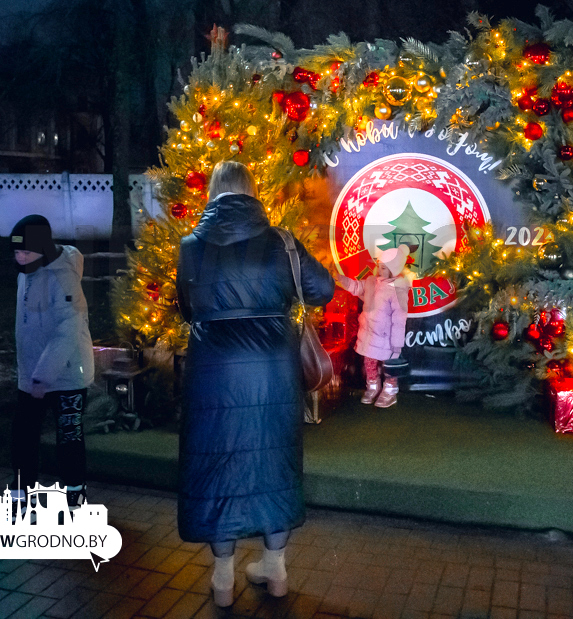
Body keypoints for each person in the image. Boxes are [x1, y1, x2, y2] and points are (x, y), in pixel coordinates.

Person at [176, 161, 334, 607]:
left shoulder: (190, 246)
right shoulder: (281, 241)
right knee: (275, 464)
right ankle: (275, 567)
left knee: (216, 467)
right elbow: (322, 290)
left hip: (213, 374)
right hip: (273, 373)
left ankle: (223, 577)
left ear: (213, 192)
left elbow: (186, 307)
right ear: (252, 192)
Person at [10, 215, 94, 511]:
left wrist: (42, 376)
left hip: (66, 375)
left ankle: (75, 498)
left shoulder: (62, 277)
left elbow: (67, 329)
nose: (20, 258)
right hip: (32, 375)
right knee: (23, 436)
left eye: (26, 252)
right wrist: (30, 376)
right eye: (16, 251)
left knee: (69, 438)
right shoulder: (27, 273)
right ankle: (21, 494)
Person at [335, 245, 411, 408]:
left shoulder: (398, 289)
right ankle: (373, 386)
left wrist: (397, 344)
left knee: (390, 366)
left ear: (394, 269)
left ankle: (390, 390)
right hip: (369, 335)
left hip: (386, 339)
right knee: (369, 361)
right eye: (379, 266)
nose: (379, 270)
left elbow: (399, 319)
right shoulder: (371, 282)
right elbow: (356, 287)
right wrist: (341, 279)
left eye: (384, 267)